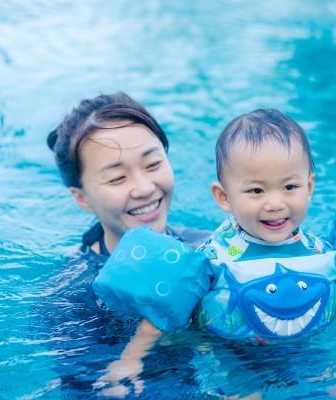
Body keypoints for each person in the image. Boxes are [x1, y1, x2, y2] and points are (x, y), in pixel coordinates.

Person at [97, 109, 336, 349]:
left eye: (290, 187)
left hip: (302, 347)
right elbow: (166, 310)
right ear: (224, 197)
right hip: (232, 354)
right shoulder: (212, 258)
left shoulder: (319, 251)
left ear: (310, 187)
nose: (275, 203)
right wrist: (132, 359)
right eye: (256, 191)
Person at [36, 92, 210, 398]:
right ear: (82, 198)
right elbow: (91, 387)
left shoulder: (210, 248)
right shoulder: (71, 299)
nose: (144, 188)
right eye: (117, 178)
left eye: (153, 164)